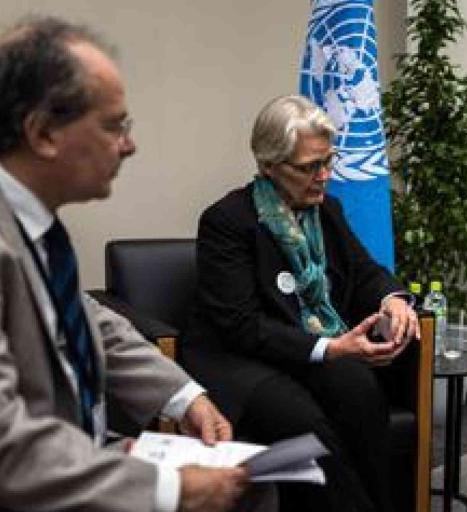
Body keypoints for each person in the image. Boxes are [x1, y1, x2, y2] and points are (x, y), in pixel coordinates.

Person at [0, 16, 275, 512]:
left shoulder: (32, 226)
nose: (129, 144)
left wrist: (184, 396)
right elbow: (8, 448)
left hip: (83, 449)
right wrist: (171, 489)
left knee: (256, 485)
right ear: (43, 134)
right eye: (113, 126)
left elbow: (88, 320)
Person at [183, 94, 420, 512]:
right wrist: (331, 348)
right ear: (269, 165)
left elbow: (365, 271)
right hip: (239, 357)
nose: (325, 175)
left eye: (329, 161)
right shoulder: (228, 221)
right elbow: (241, 325)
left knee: (360, 390)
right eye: (310, 166)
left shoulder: (327, 210)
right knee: (302, 423)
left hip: (302, 349)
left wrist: (393, 300)